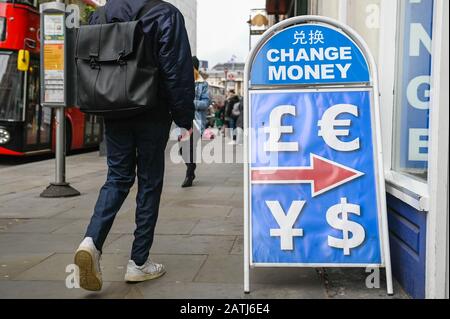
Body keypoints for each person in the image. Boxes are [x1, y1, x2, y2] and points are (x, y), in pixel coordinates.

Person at [74, 0, 195, 292]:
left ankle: (91, 241)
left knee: (117, 177)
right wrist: (184, 119)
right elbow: (175, 70)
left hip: (112, 106)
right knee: (150, 182)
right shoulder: (165, 13)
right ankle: (138, 262)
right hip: (152, 109)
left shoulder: (99, 15)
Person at [181, 56, 210, 188]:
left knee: (190, 148)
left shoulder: (202, 84)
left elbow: (206, 103)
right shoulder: (181, 80)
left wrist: (190, 103)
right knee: (182, 150)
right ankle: (192, 167)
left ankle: (189, 175)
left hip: (197, 121)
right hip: (183, 121)